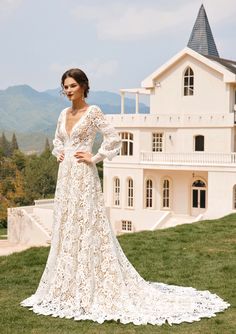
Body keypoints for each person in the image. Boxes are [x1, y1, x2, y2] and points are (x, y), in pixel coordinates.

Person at [20, 68, 230, 326]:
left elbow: (114, 139)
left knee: (88, 226)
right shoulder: (64, 114)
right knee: (67, 226)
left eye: (72, 85)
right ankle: (68, 285)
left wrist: (95, 157)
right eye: (65, 86)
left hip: (84, 177)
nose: (68, 90)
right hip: (65, 178)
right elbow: (56, 142)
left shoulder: (93, 112)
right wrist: (60, 153)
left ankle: (92, 285)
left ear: (84, 86)